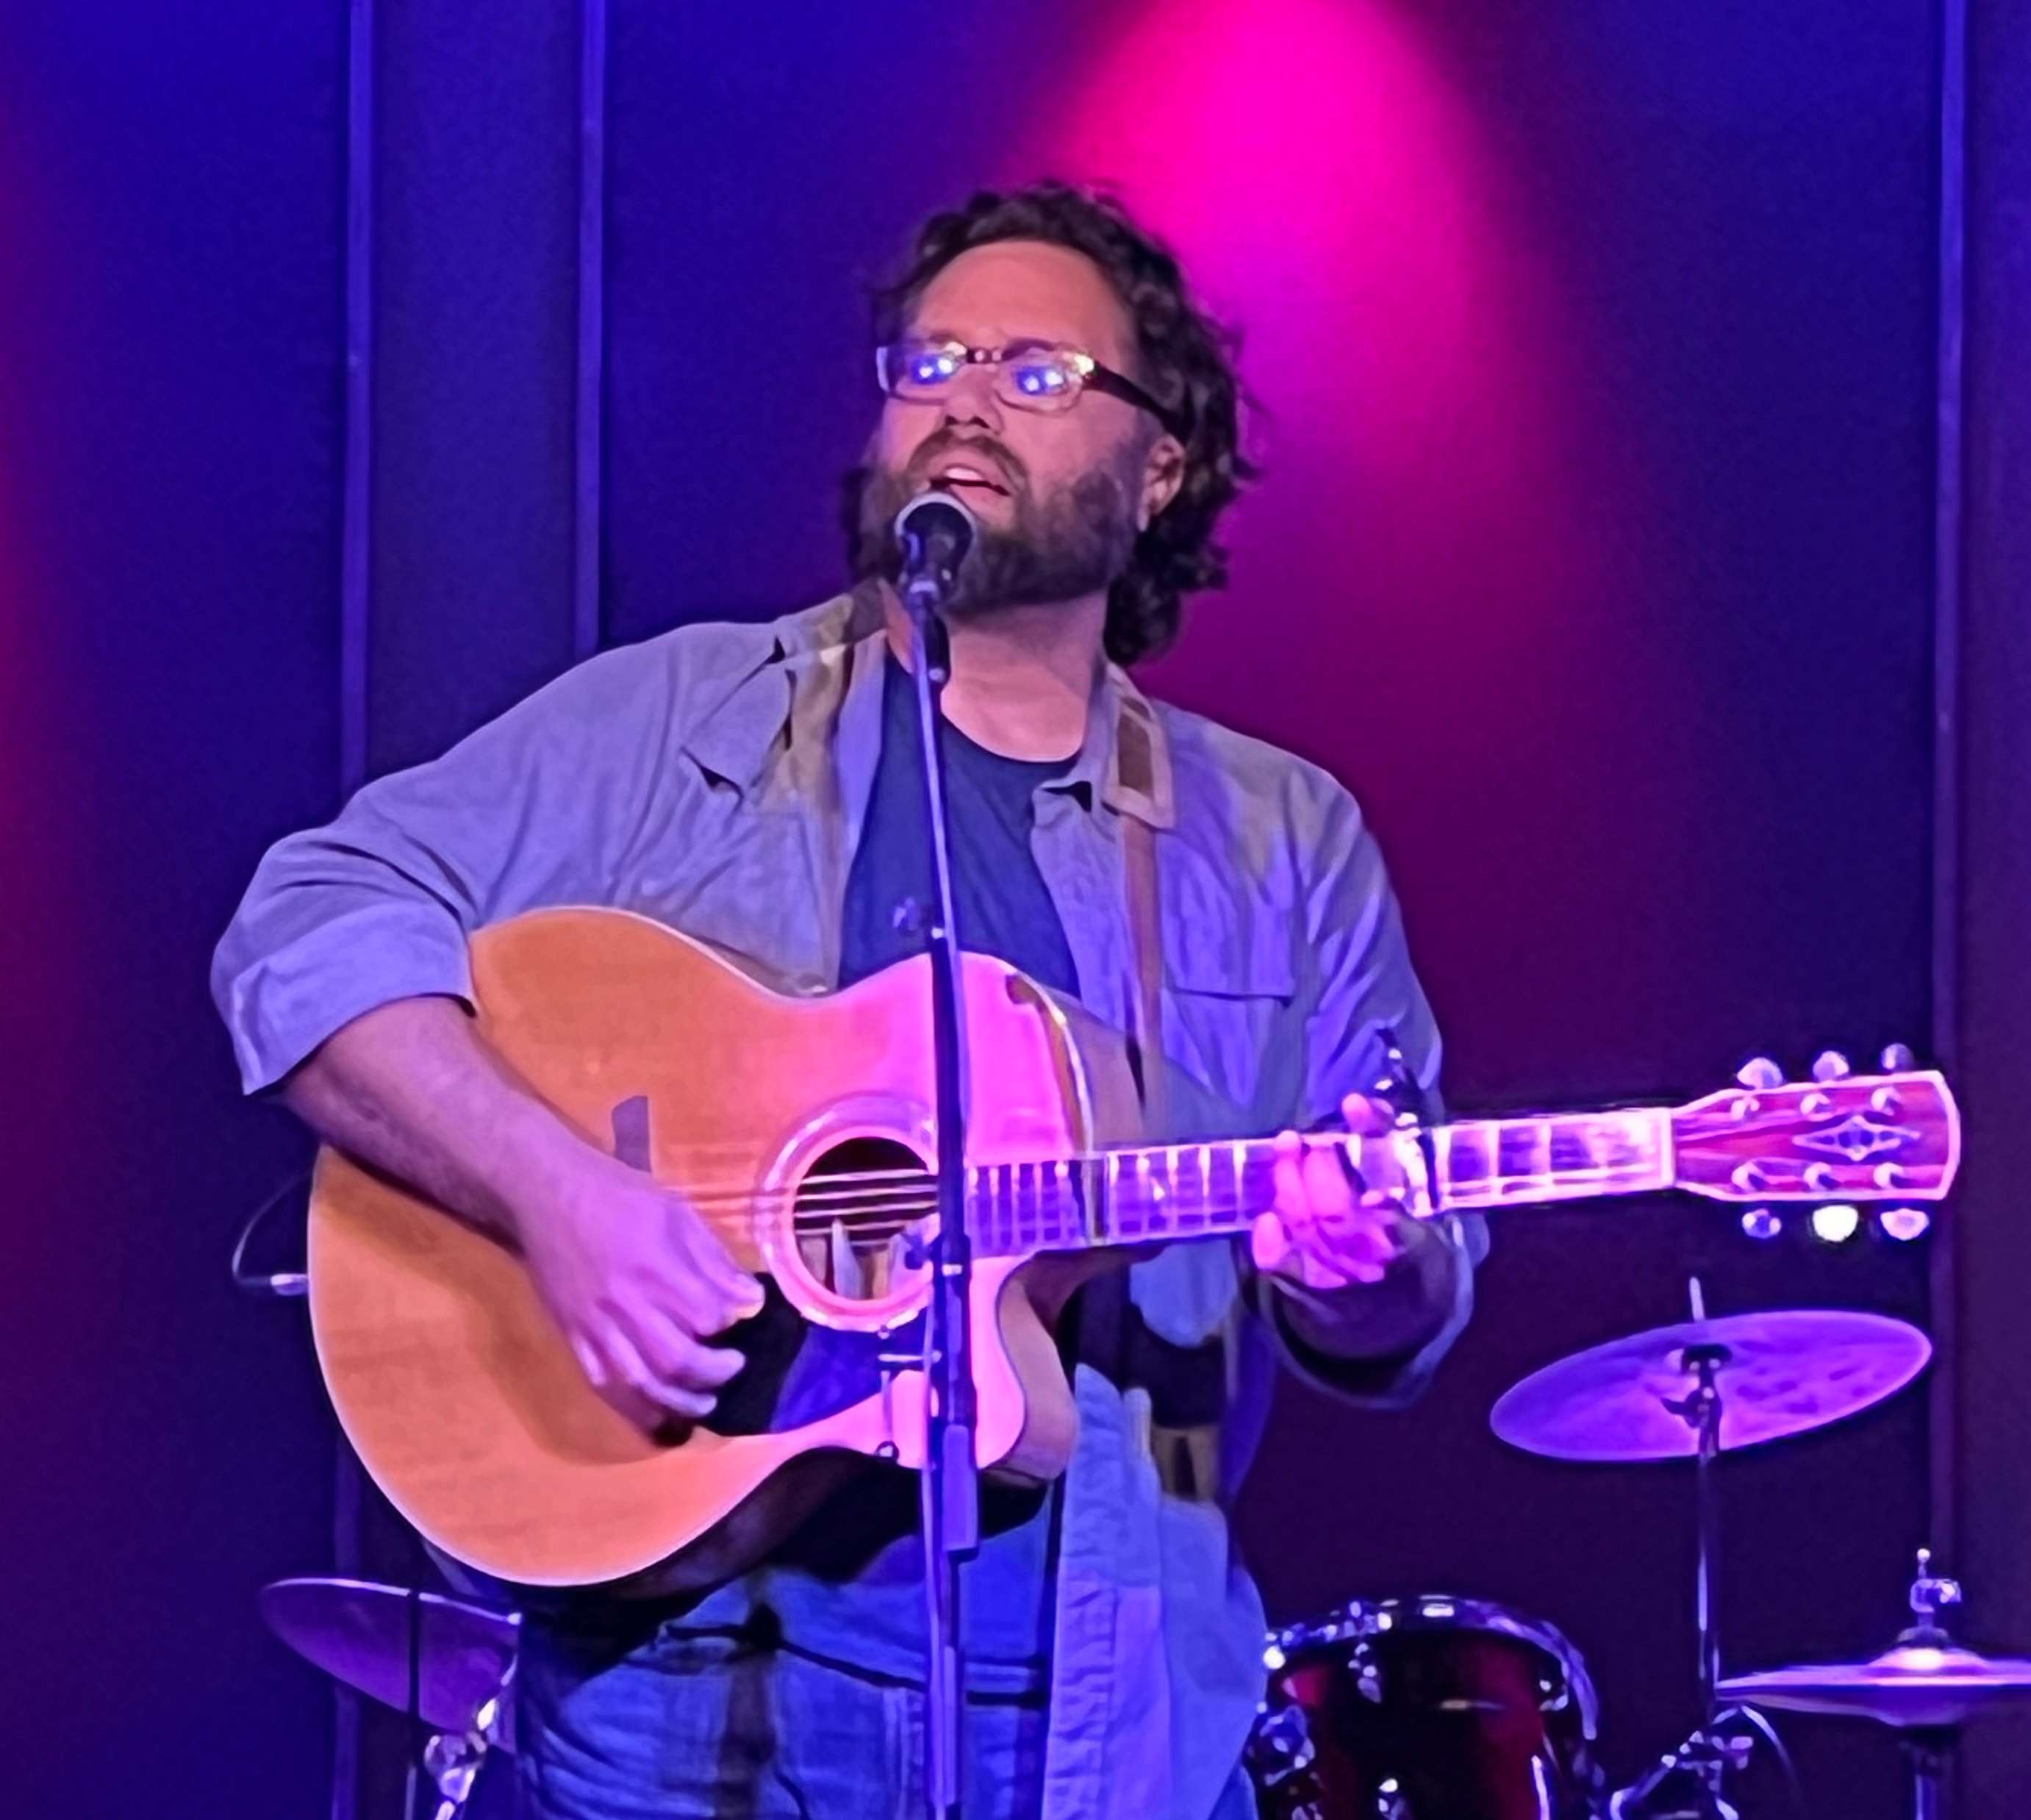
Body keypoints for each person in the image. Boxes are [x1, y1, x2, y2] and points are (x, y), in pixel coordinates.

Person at [213, 182, 1485, 1820]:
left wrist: (1359, 1262)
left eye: (1035, 373)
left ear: (1160, 463)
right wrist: (559, 1193)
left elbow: (1394, 1307)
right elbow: (303, 923)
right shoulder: (686, 718)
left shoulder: (1277, 838)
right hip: (670, 1688)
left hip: (1102, 1723)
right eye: (928, 358)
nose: (960, 398)